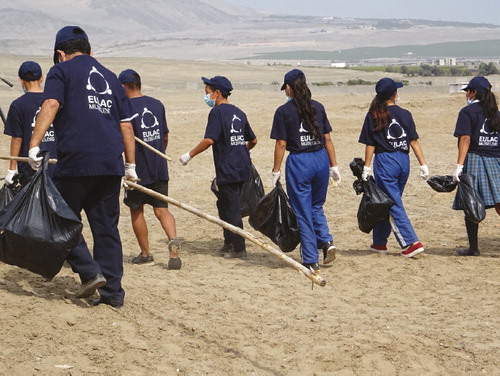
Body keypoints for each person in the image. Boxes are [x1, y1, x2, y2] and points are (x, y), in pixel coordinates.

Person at [28, 26, 138, 308]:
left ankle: (90, 273)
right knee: (106, 230)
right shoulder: (112, 78)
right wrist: (131, 165)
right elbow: (126, 125)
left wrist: (34, 145)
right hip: (110, 163)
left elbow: (51, 103)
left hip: (77, 160)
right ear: (90, 51)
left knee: (57, 219)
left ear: (60, 54)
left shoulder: (61, 71)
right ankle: (113, 294)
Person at [179, 76, 257, 260]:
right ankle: (228, 242)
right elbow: (253, 140)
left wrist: (189, 155)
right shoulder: (239, 112)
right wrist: (241, 150)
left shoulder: (217, 113)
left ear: (217, 93)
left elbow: (209, 139)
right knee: (224, 203)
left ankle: (239, 248)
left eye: (207, 93)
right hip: (242, 167)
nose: (206, 96)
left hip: (228, 168)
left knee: (231, 208)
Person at [271, 69, 341, 272]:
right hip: (320, 158)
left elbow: (281, 144)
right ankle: (327, 242)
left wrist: (276, 170)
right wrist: (333, 165)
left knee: (302, 211)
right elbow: (327, 138)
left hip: (300, 161)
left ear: (290, 87)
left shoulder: (284, 111)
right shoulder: (317, 107)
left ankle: (310, 259)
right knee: (316, 205)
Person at [119, 69, 182, 269]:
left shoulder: (124, 107)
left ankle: (146, 254)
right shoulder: (156, 104)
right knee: (162, 209)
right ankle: (173, 239)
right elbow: (164, 136)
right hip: (159, 166)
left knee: (136, 210)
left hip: (136, 169)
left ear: (123, 86)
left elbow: (122, 138)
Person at [359, 77, 428, 258]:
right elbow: (413, 141)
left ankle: (411, 242)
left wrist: (366, 167)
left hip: (385, 161)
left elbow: (370, 144)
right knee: (387, 201)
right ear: (394, 94)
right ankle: (380, 242)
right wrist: (423, 164)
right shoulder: (405, 114)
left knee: (393, 203)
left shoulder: (373, 114)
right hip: (403, 161)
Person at [451, 76, 500, 256]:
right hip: (497, 161)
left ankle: (474, 248)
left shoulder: (467, 112)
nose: (466, 95)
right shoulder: (496, 113)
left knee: (471, 204)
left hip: (475, 160)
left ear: (473, 92)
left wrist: (459, 165)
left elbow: (465, 138)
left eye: (468, 91)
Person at [4, 61, 57, 186]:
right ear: (42, 78)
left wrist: (12, 169)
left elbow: (17, 138)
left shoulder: (18, 105)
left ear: (21, 80)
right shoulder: (53, 102)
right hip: (55, 164)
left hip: (29, 168)